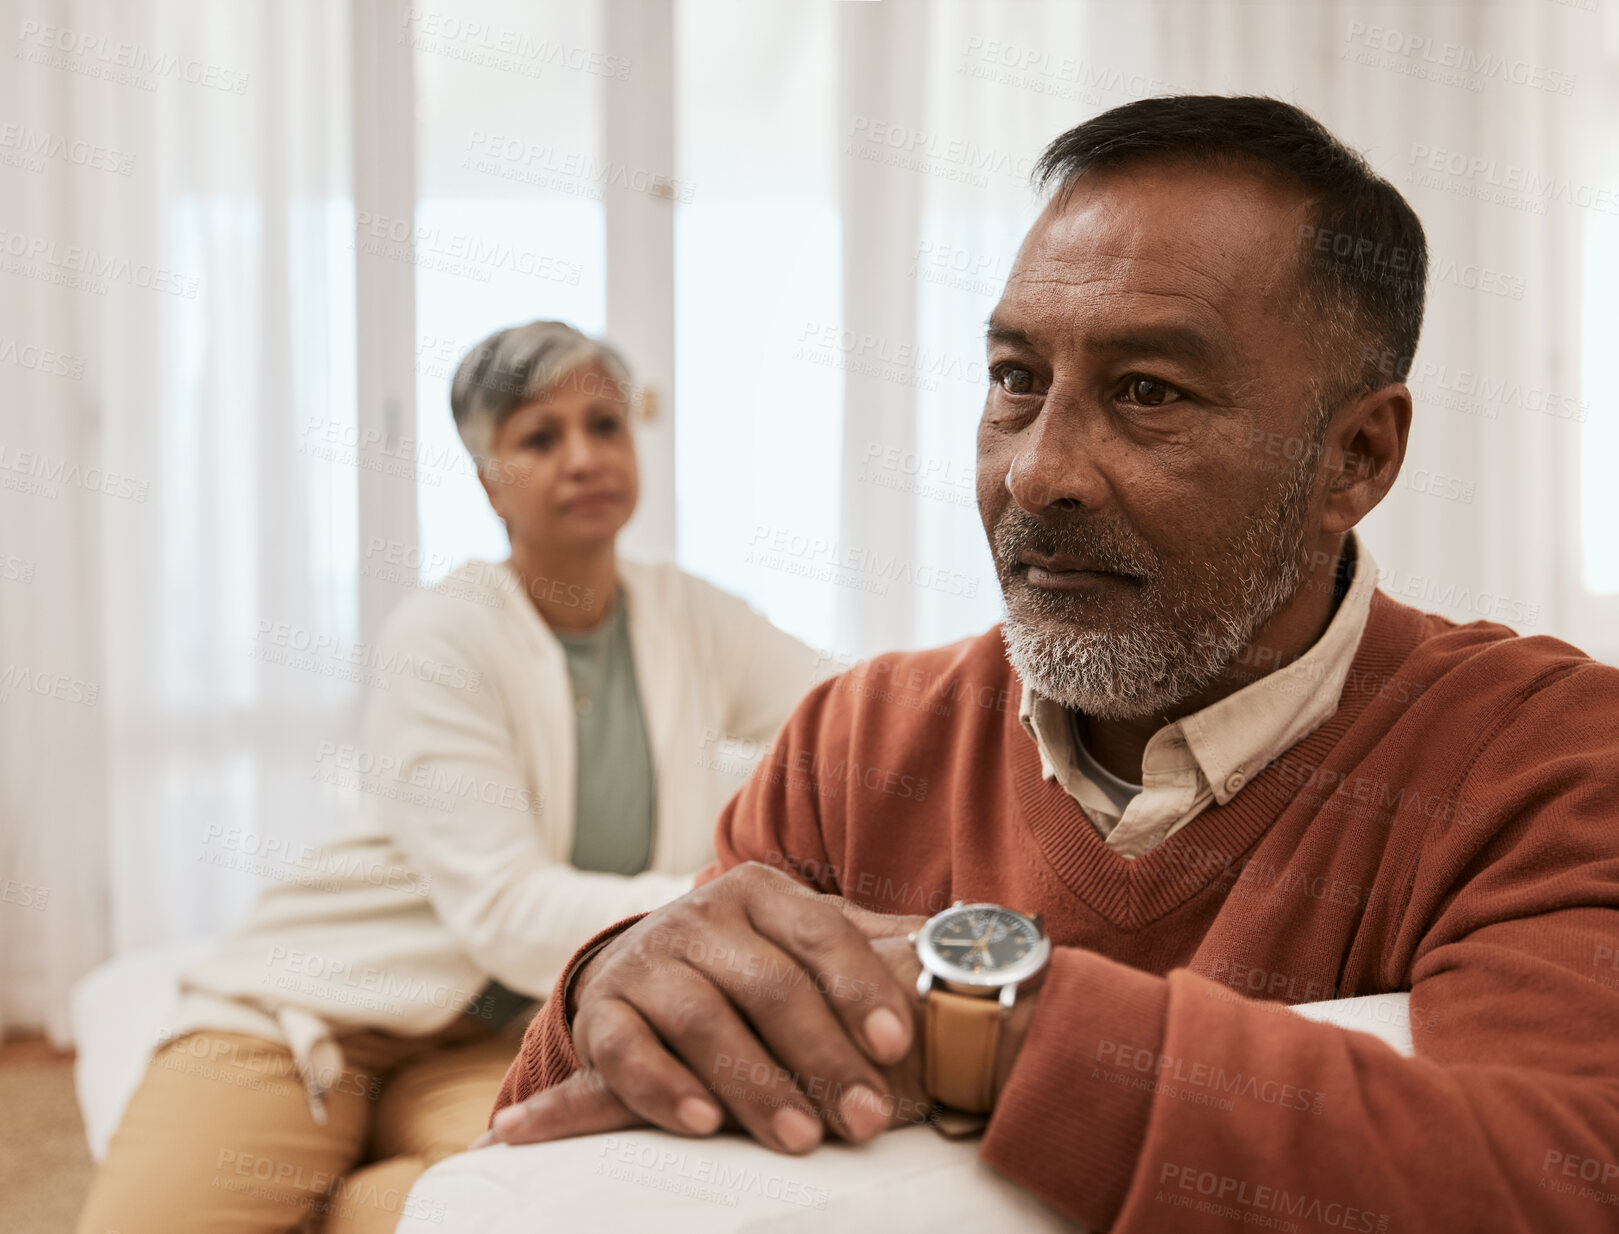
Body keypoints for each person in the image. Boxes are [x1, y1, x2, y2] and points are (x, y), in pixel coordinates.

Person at [481, 99, 1619, 1233]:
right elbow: (544, 1163)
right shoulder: (859, 744)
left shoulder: (1541, 758)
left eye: (1147, 393)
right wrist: (604, 983)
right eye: (1015, 376)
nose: (1036, 473)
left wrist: (980, 1023)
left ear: (1355, 456)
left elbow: (1553, 1178)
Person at [76, 321, 830, 1234]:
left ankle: (335, 1204)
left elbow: (857, 713)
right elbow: (510, 919)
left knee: (502, 1214)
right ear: (487, 482)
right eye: (540, 437)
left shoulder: (696, 618)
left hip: (496, 1038)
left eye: (604, 425)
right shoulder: (442, 638)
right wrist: (720, 906)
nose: (585, 456)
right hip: (312, 1010)